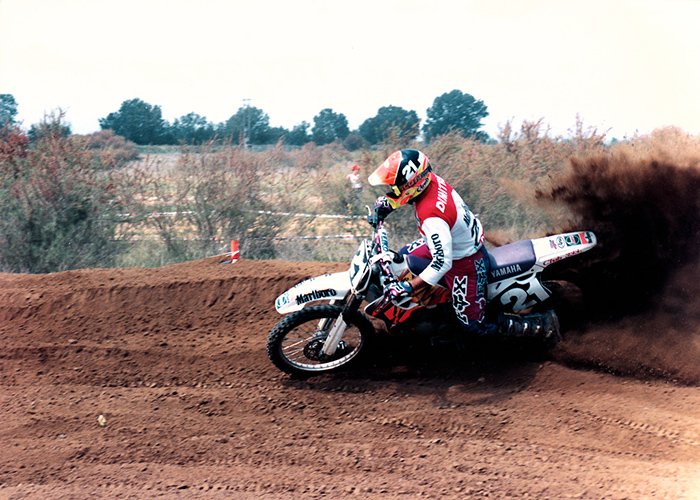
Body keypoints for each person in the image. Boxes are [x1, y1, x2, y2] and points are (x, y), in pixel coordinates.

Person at [367, 149, 555, 337]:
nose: (393, 190)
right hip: (451, 243)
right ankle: (428, 307)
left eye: (396, 187)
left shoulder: (431, 216)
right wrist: (389, 204)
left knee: (473, 325)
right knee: (403, 257)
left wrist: (409, 286)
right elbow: (409, 193)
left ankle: (541, 326)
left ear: (413, 184)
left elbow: (442, 263)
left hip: (465, 263)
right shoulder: (431, 180)